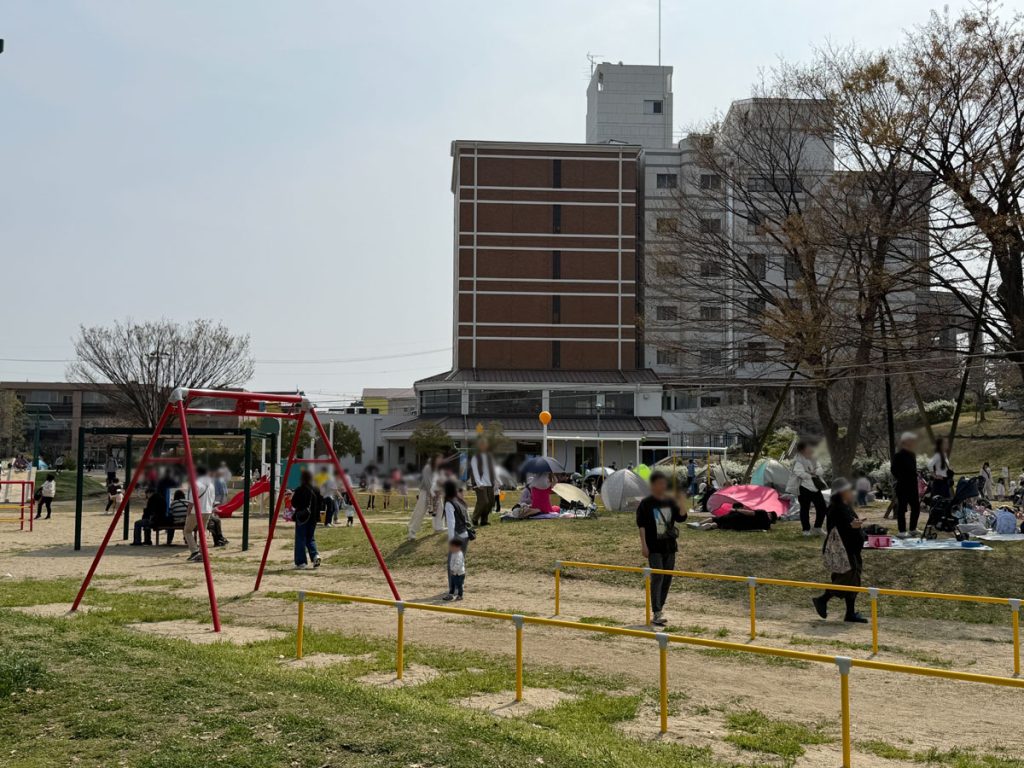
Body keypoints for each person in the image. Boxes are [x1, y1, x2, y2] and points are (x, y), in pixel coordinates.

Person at [635, 471, 687, 627]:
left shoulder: (670, 501)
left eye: (664, 483)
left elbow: (681, 518)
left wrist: (682, 501)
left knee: (667, 579)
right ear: (653, 485)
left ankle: (660, 609)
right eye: (660, 483)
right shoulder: (646, 503)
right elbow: (641, 525)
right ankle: (657, 611)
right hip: (654, 546)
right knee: (658, 577)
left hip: (669, 546)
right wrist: (644, 545)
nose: (663, 486)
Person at [812, 478, 867, 623]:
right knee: (847, 578)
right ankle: (822, 600)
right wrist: (853, 526)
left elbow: (850, 523)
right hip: (843, 549)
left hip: (850, 548)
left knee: (853, 579)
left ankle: (850, 613)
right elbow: (840, 528)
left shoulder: (844, 506)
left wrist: (858, 526)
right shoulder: (836, 508)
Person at [789, 441, 827, 536]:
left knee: (822, 507)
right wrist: (810, 474)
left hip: (815, 487)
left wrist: (815, 472)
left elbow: (820, 470)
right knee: (805, 509)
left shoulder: (813, 458)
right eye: (808, 448)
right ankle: (806, 530)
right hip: (804, 488)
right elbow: (799, 473)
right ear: (802, 450)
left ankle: (817, 527)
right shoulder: (798, 460)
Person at [442, 479, 470, 600]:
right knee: (460, 564)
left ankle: (453, 591)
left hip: (457, 537)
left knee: (452, 565)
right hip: (465, 536)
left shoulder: (449, 503)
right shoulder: (460, 501)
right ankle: (459, 589)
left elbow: (451, 524)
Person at [890, 432, 921, 538]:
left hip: (913, 485)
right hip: (903, 485)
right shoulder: (898, 455)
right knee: (902, 508)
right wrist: (902, 477)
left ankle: (912, 529)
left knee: (916, 507)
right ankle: (902, 531)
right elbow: (893, 470)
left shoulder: (912, 455)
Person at [291, 469, 322, 570]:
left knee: (300, 539)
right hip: (313, 519)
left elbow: (294, 503)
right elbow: (320, 503)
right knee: (310, 538)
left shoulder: (300, 490)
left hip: (302, 518)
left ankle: (301, 562)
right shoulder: (316, 489)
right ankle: (315, 556)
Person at [184, 466, 215, 563]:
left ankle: (194, 551)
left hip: (196, 511)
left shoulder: (196, 484)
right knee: (203, 532)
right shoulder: (211, 485)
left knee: (187, 531)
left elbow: (191, 501)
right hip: (207, 510)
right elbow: (213, 500)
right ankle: (202, 552)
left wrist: (188, 513)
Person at [408, 454, 443, 540]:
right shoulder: (427, 468)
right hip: (425, 492)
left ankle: (438, 527)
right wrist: (433, 492)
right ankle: (412, 531)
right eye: (439, 459)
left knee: (440, 508)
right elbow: (427, 482)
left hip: (435, 493)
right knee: (420, 511)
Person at [470, 438, 499, 527]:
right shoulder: (475, 457)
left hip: (489, 483)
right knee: (483, 501)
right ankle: (474, 518)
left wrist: (496, 481)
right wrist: (478, 483)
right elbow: (475, 470)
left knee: (491, 502)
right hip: (480, 483)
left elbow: (493, 470)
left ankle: (484, 520)